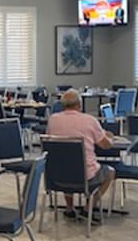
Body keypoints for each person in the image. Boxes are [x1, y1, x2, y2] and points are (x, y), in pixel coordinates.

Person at [46, 88, 115, 220]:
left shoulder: (52, 120)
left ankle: (69, 208)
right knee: (110, 172)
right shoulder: (90, 120)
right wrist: (111, 138)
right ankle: (88, 208)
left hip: (57, 176)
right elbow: (105, 145)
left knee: (66, 162)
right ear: (80, 104)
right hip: (85, 178)